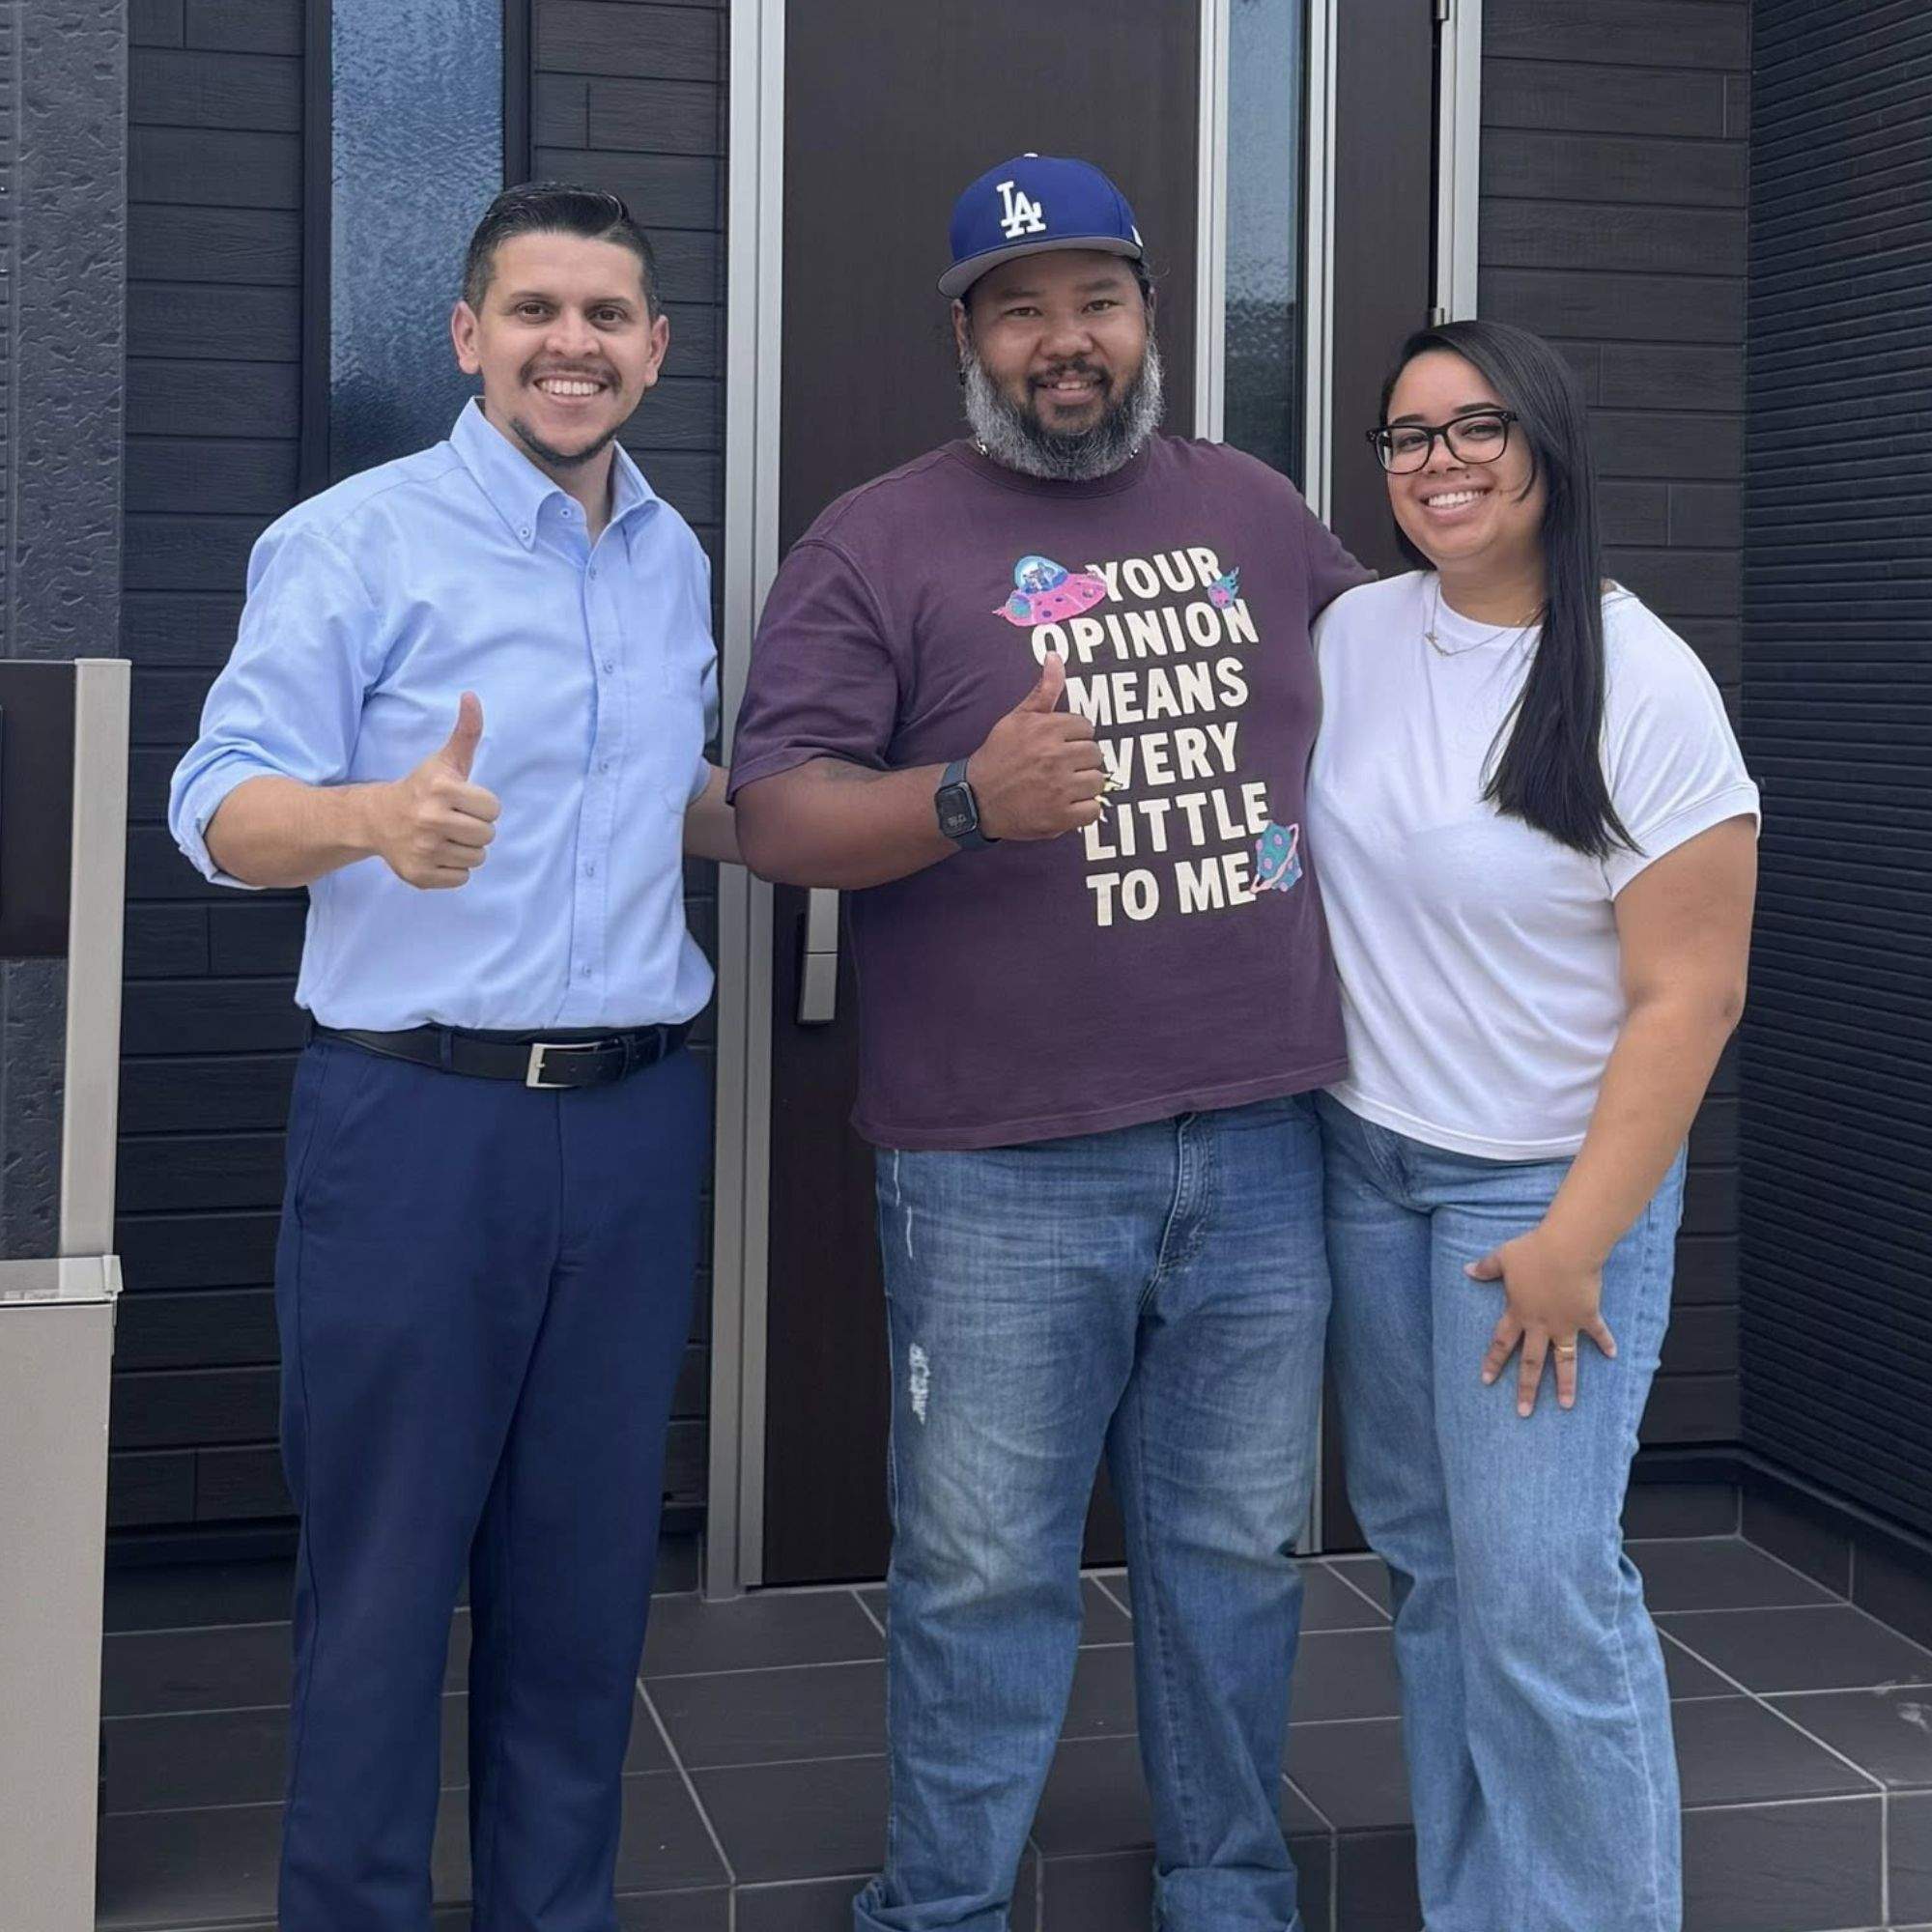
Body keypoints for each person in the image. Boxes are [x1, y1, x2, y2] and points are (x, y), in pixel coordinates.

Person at [729, 154, 1371, 1932]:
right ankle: (941, 1907)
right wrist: (963, 799)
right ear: (967, 337)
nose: (1063, 340)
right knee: (982, 1571)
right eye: (1019, 311)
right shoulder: (875, 539)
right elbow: (774, 814)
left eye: (1096, 301)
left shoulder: (1257, 511)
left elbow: (1422, 687)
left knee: (1238, 1557)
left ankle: (1228, 1893)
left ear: (1150, 315)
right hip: (996, 1165)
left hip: (1263, 1136)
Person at [166, 182, 738, 1931]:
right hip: (418, 1124)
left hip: (632, 1121)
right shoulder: (355, 541)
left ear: (656, 347)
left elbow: (668, 799)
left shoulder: (672, 556)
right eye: (536, 311)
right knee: (384, 1591)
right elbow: (213, 804)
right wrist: (369, 820)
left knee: (584, 1590)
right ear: (469, 336)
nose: (574, 344)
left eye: (608, 315)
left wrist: (904, 811)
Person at [1306, 318, 1759, 1931]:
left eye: (1476, 427)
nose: (1440, 463)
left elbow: (1693, 995)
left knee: (1541, 1593)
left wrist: (1576, 1240)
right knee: (1436, 1571)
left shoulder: (1644, 678)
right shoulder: (1356, 632)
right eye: (1408, 435)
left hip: (1545, 1197)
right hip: (1368, 1163)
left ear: (1547, 445)